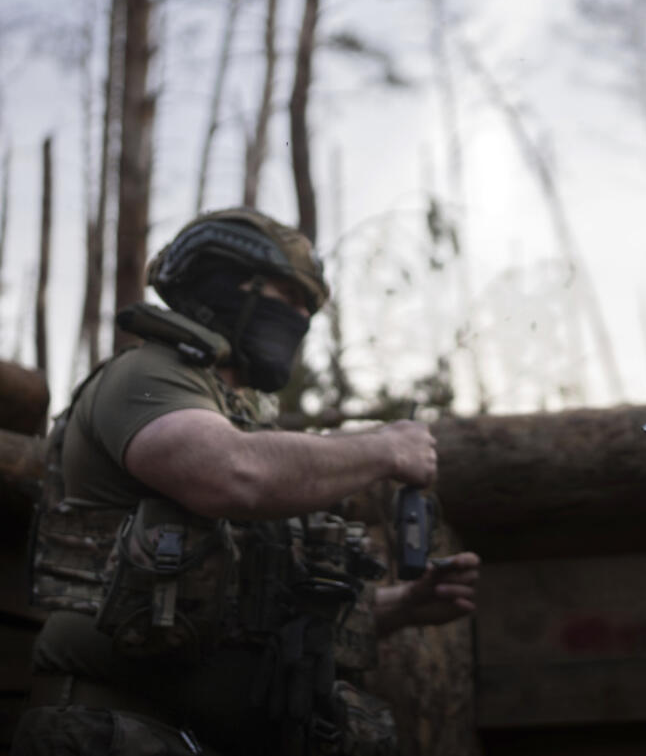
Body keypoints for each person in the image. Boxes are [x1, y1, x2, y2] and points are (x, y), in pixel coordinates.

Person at [16, 208, 480, 755]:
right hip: (114, 730)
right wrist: (383, 447)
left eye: (308, 306)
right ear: (223, 281)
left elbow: (249, 607)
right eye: (288, 295)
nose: (301, 316)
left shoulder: (242, 417)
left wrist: (402, 605)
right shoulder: (147, 374)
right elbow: (232, 474)